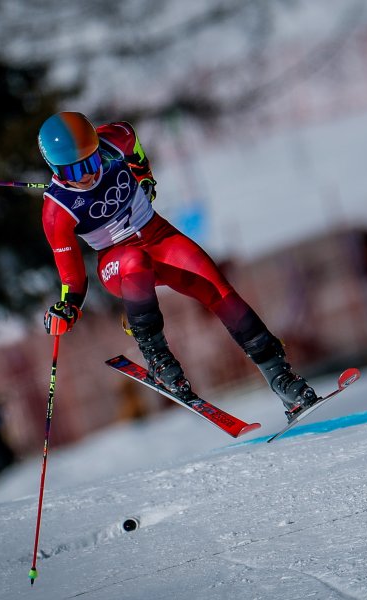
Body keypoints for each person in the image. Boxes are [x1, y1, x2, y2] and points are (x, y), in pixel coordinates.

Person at [37, 111, 317, 420]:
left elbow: (134, 146)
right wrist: (68, 306)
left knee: (220, 292)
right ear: (57, 170)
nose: (88, 174)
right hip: (116, 261)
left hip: (160, 237)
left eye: (91, 162)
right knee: (134, 260)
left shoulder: (113, 141)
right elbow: (72, 277)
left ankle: (282, 379)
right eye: (76, 170)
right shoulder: (56, 212)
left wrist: (144, 176)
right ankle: (159, 360)